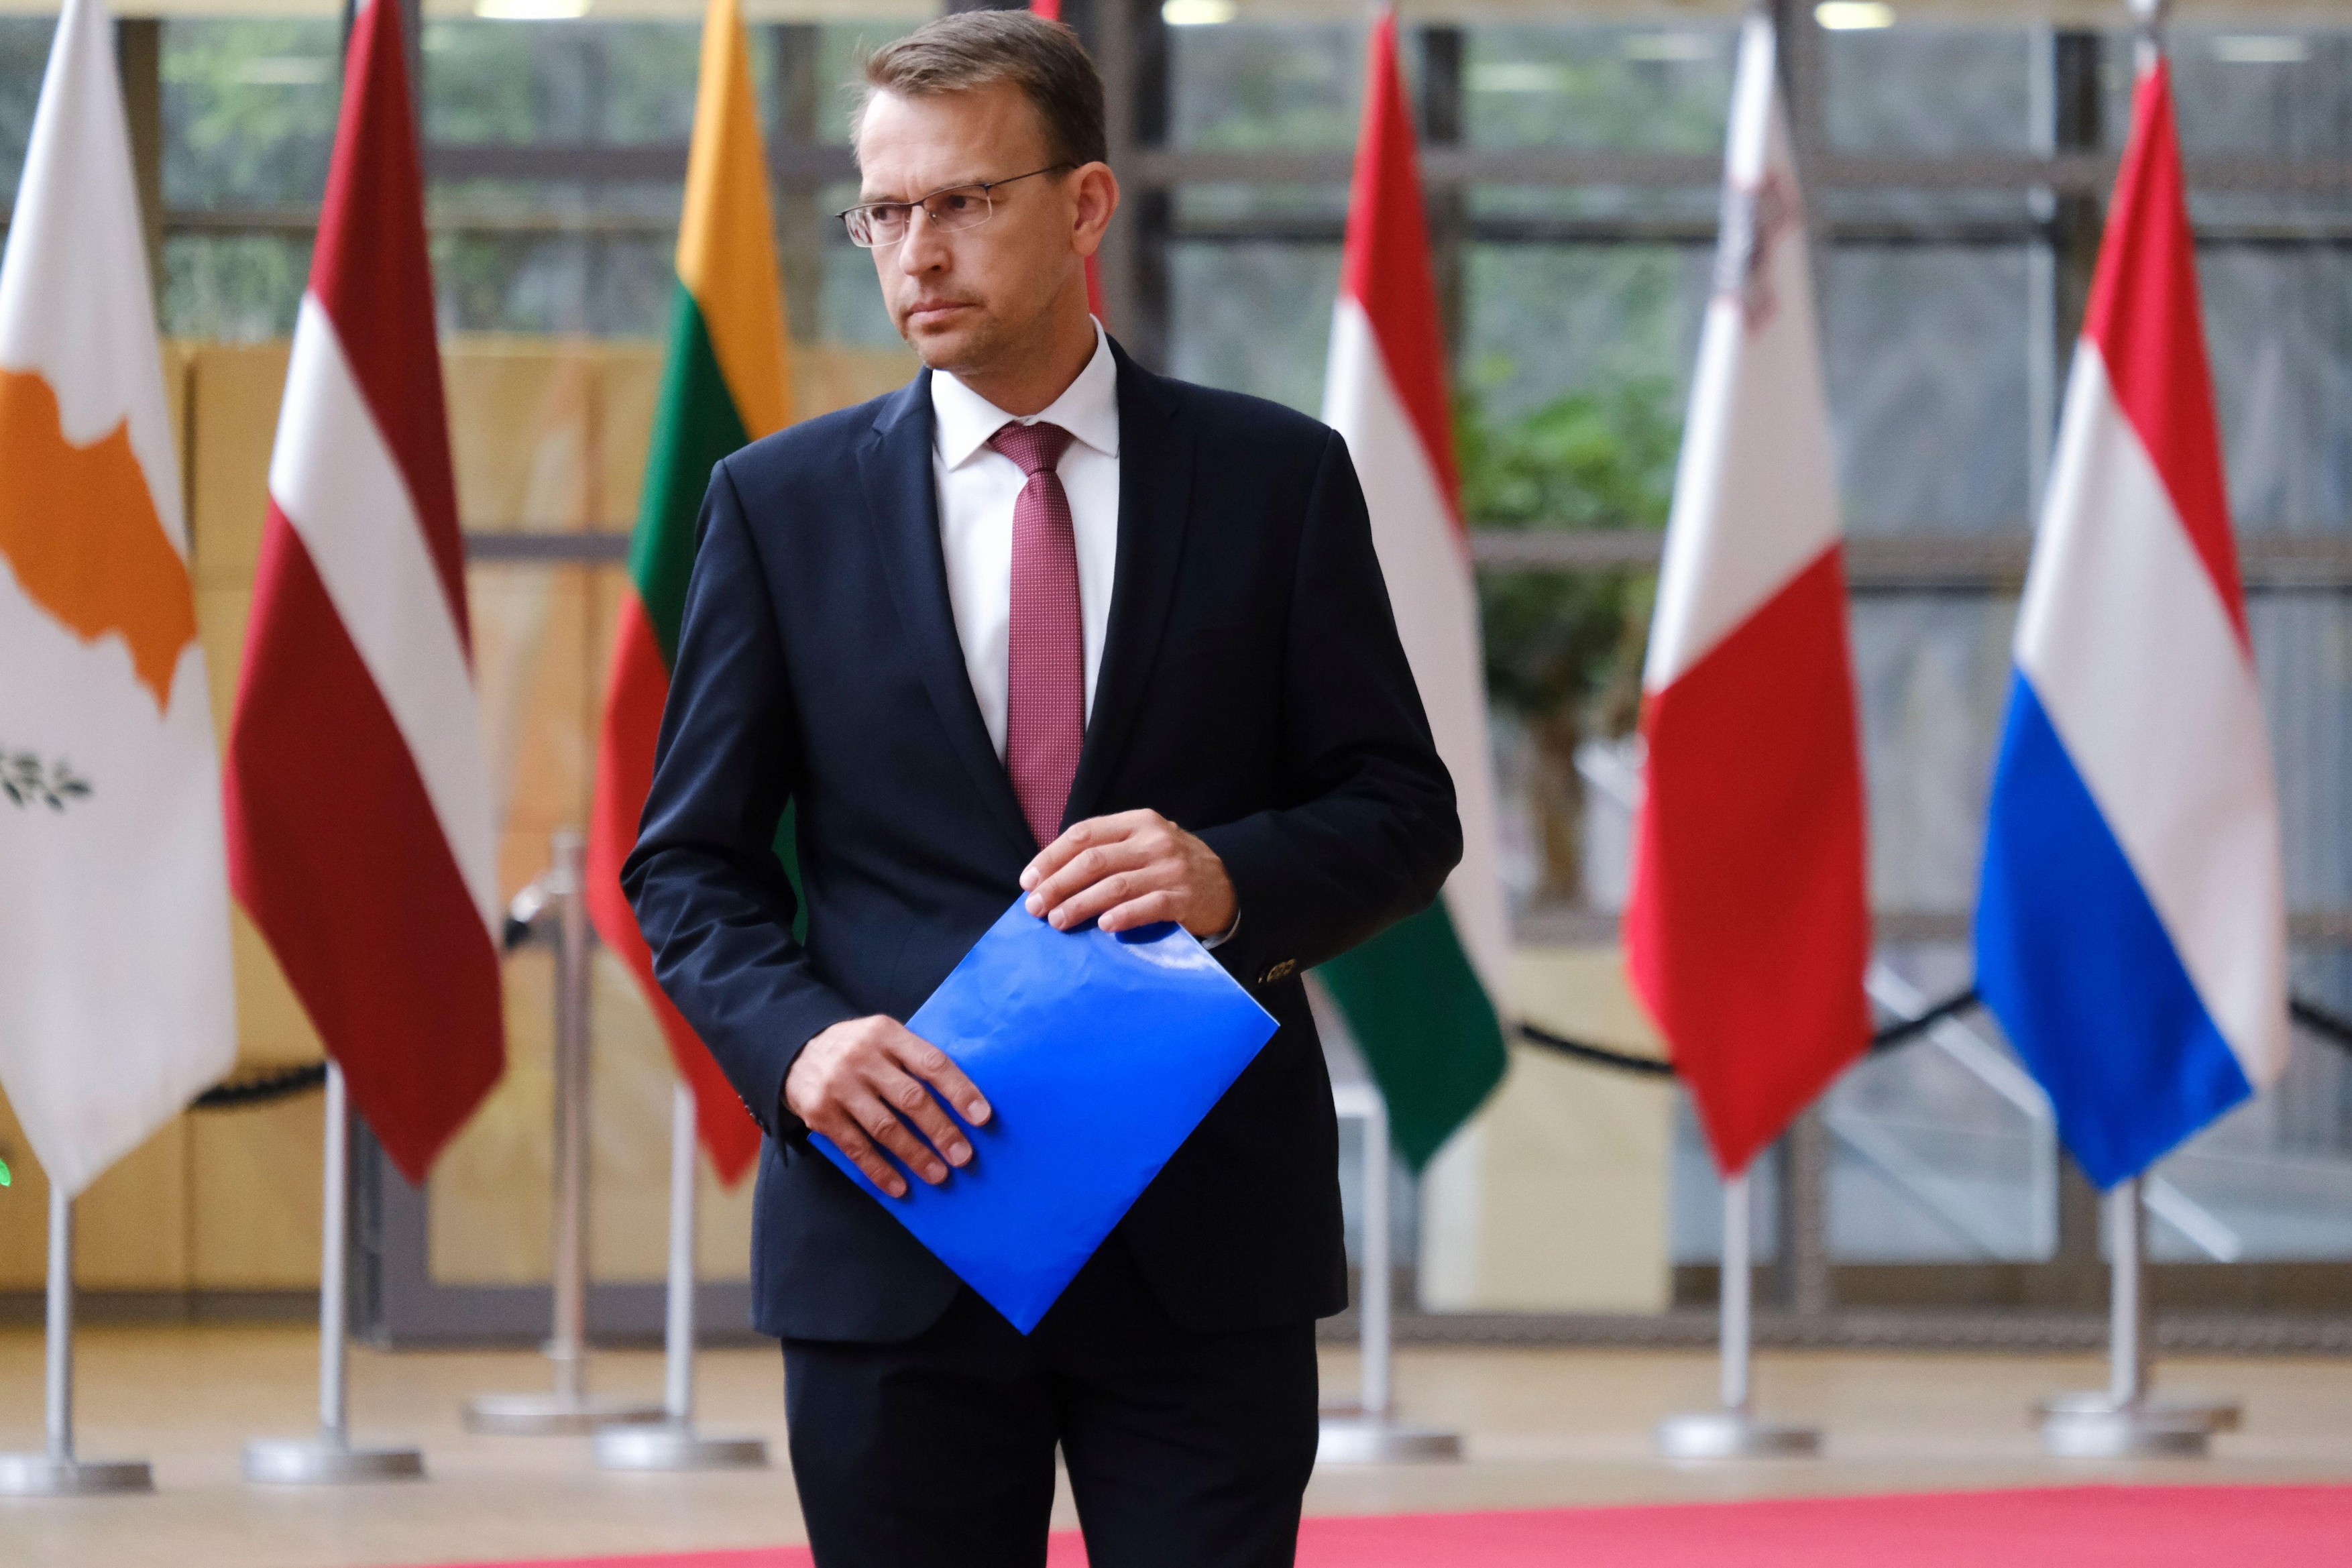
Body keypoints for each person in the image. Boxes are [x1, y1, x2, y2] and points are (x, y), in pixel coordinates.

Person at [622, 11, 1459, 1565]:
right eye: (884, 211)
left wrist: (1225, 877)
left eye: (964, 202)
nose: (915, 252)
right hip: (895, 1226)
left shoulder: (1276, 482)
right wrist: (799, 1048)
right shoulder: (775, 505)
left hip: (1201, 1248)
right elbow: (688, 866)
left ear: (1083, 206)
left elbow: (1401, 810)